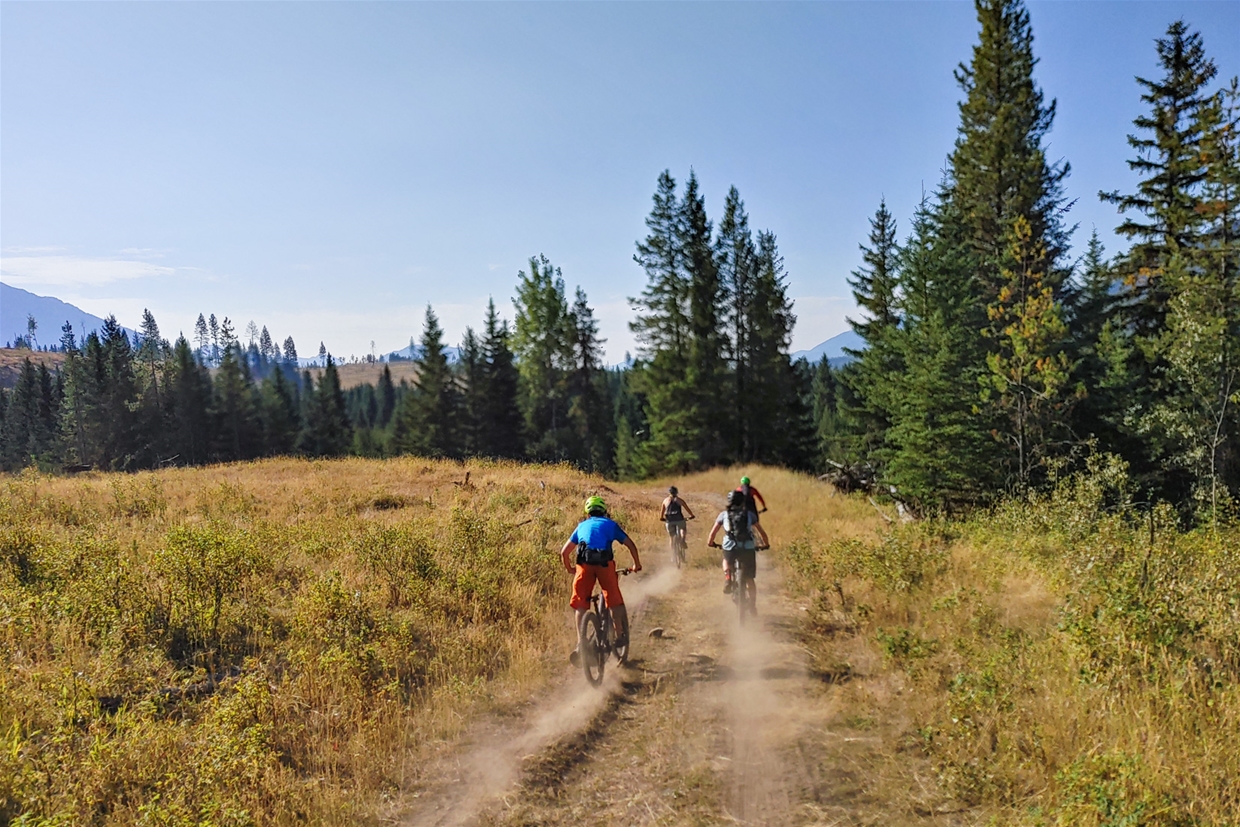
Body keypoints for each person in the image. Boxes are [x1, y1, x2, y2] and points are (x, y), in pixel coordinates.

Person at [560, 495, 642, 665]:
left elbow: (564, 552)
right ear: (604, 511)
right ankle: (619, 636)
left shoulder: (581, 526)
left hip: (584, 565)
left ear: (587, 513)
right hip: (605, 564)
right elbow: (630, 544)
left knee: (581, 603)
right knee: (613, 599)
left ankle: (581, 644)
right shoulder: (610, 524)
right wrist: (636, 564)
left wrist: (570, 569)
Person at [707, 489, 769, 594]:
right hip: (747, 547)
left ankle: (728, 577)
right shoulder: (749, 514)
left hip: (730, 546)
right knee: (750, 579)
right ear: (742, 501)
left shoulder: (723, 515)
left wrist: (710, 542)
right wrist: (766, 544)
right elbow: (762, 532)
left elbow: (713, 533)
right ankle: (753, 606)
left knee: (726, 560)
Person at [659, 486, 695, 562]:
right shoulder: (679, 500)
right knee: (683, 528)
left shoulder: (665, 500)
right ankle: (682, 539)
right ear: (677, 492)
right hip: (679, 519)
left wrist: (662, 518)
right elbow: (687, 508)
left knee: (671, 538)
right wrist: (691, 515)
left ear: (669, 493)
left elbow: (661, 513)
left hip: (669, 521)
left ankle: (673, 556)